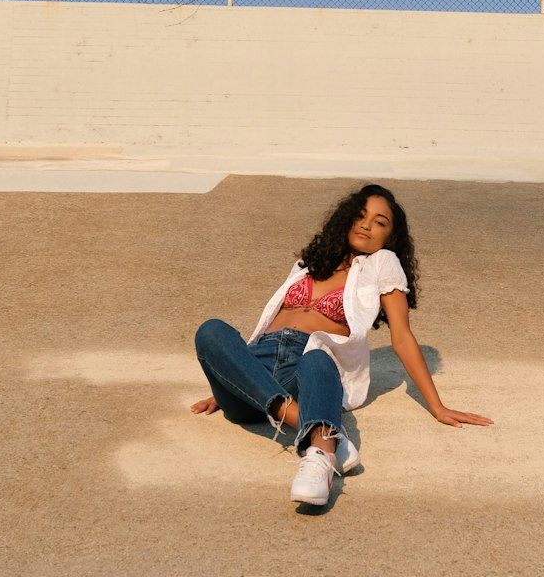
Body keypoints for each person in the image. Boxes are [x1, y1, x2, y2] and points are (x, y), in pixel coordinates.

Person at [192, 183, 492, 505]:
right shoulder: (310, 262)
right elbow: (267, 321)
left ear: (390, 237)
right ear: (346, 220)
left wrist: (437, 406)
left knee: (319, 359)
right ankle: (318, 429)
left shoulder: (382, 263)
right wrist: (234, 375)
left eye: (380, 222)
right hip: (257, 366)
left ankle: (318, 459)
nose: (366, 224)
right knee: (211, 330)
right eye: (360, 216)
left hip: (304, 363)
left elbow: (402, 336)